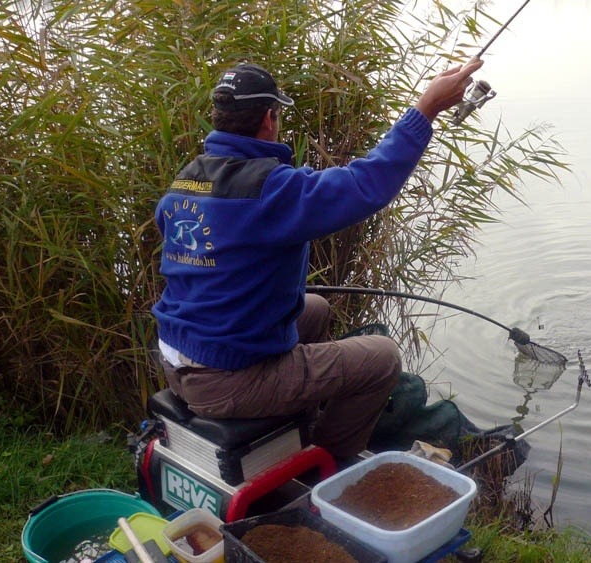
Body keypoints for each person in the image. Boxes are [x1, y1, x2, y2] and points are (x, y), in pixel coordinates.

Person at [153, 57, 484, 460]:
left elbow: (203, 251)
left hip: (177, 361)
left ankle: (293, 427)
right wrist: (425, 110)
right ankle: (326, 465)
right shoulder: (270, 189)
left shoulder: (185, 180)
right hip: (227, 380)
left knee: (315, 308)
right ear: (270, 118)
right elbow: (366, 184)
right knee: (382, 358)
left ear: (220, 118)